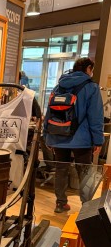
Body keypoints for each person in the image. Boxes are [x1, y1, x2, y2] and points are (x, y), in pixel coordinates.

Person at [43, 57, 104, 213]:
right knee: (84, 172)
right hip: (81, 139)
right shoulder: (91, 87)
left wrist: (46, 135)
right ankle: (86, 208)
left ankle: (60, 203)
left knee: (61, 169)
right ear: (88, 68)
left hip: (58, 135)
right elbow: (95, 116)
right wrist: (98, 140)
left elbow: (49, 112)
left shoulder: (59, 86)